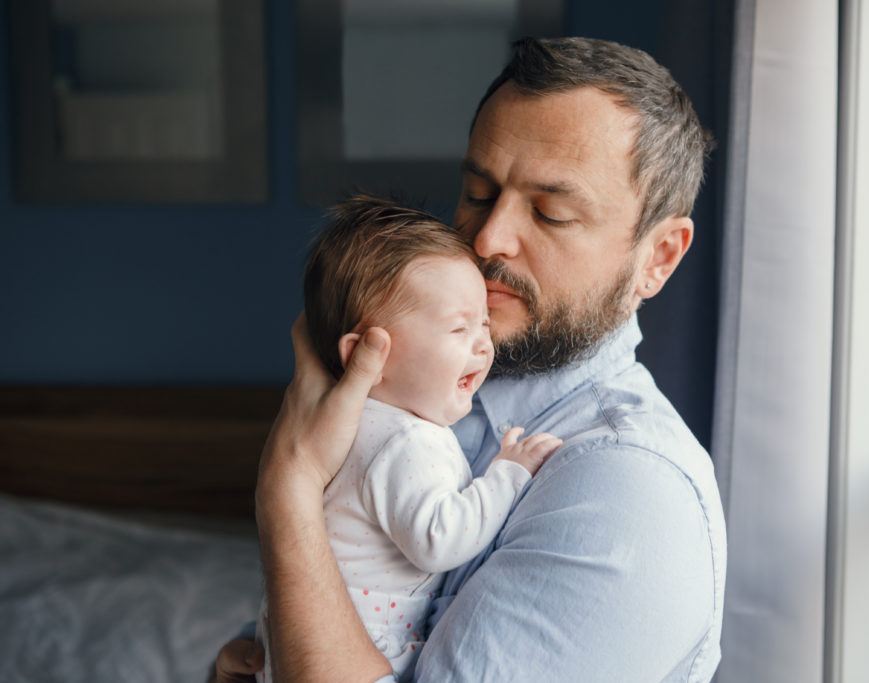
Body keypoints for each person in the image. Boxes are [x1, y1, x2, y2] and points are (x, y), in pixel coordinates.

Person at [214, 36, 726, 683]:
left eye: (550, 212)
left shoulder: (626, 496)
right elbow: (308, 607)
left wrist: (284, 491)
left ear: (658, 258)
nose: (487, 239)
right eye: (479, 193)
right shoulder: (413, 387)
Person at [254, 196, 562, 682]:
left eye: (483, 321)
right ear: (366, 356)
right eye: (459, 327)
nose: (484, 343)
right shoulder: (405, 441)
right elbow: (439, 540)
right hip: (363, 638)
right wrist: (509, 472)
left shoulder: (346, 427)